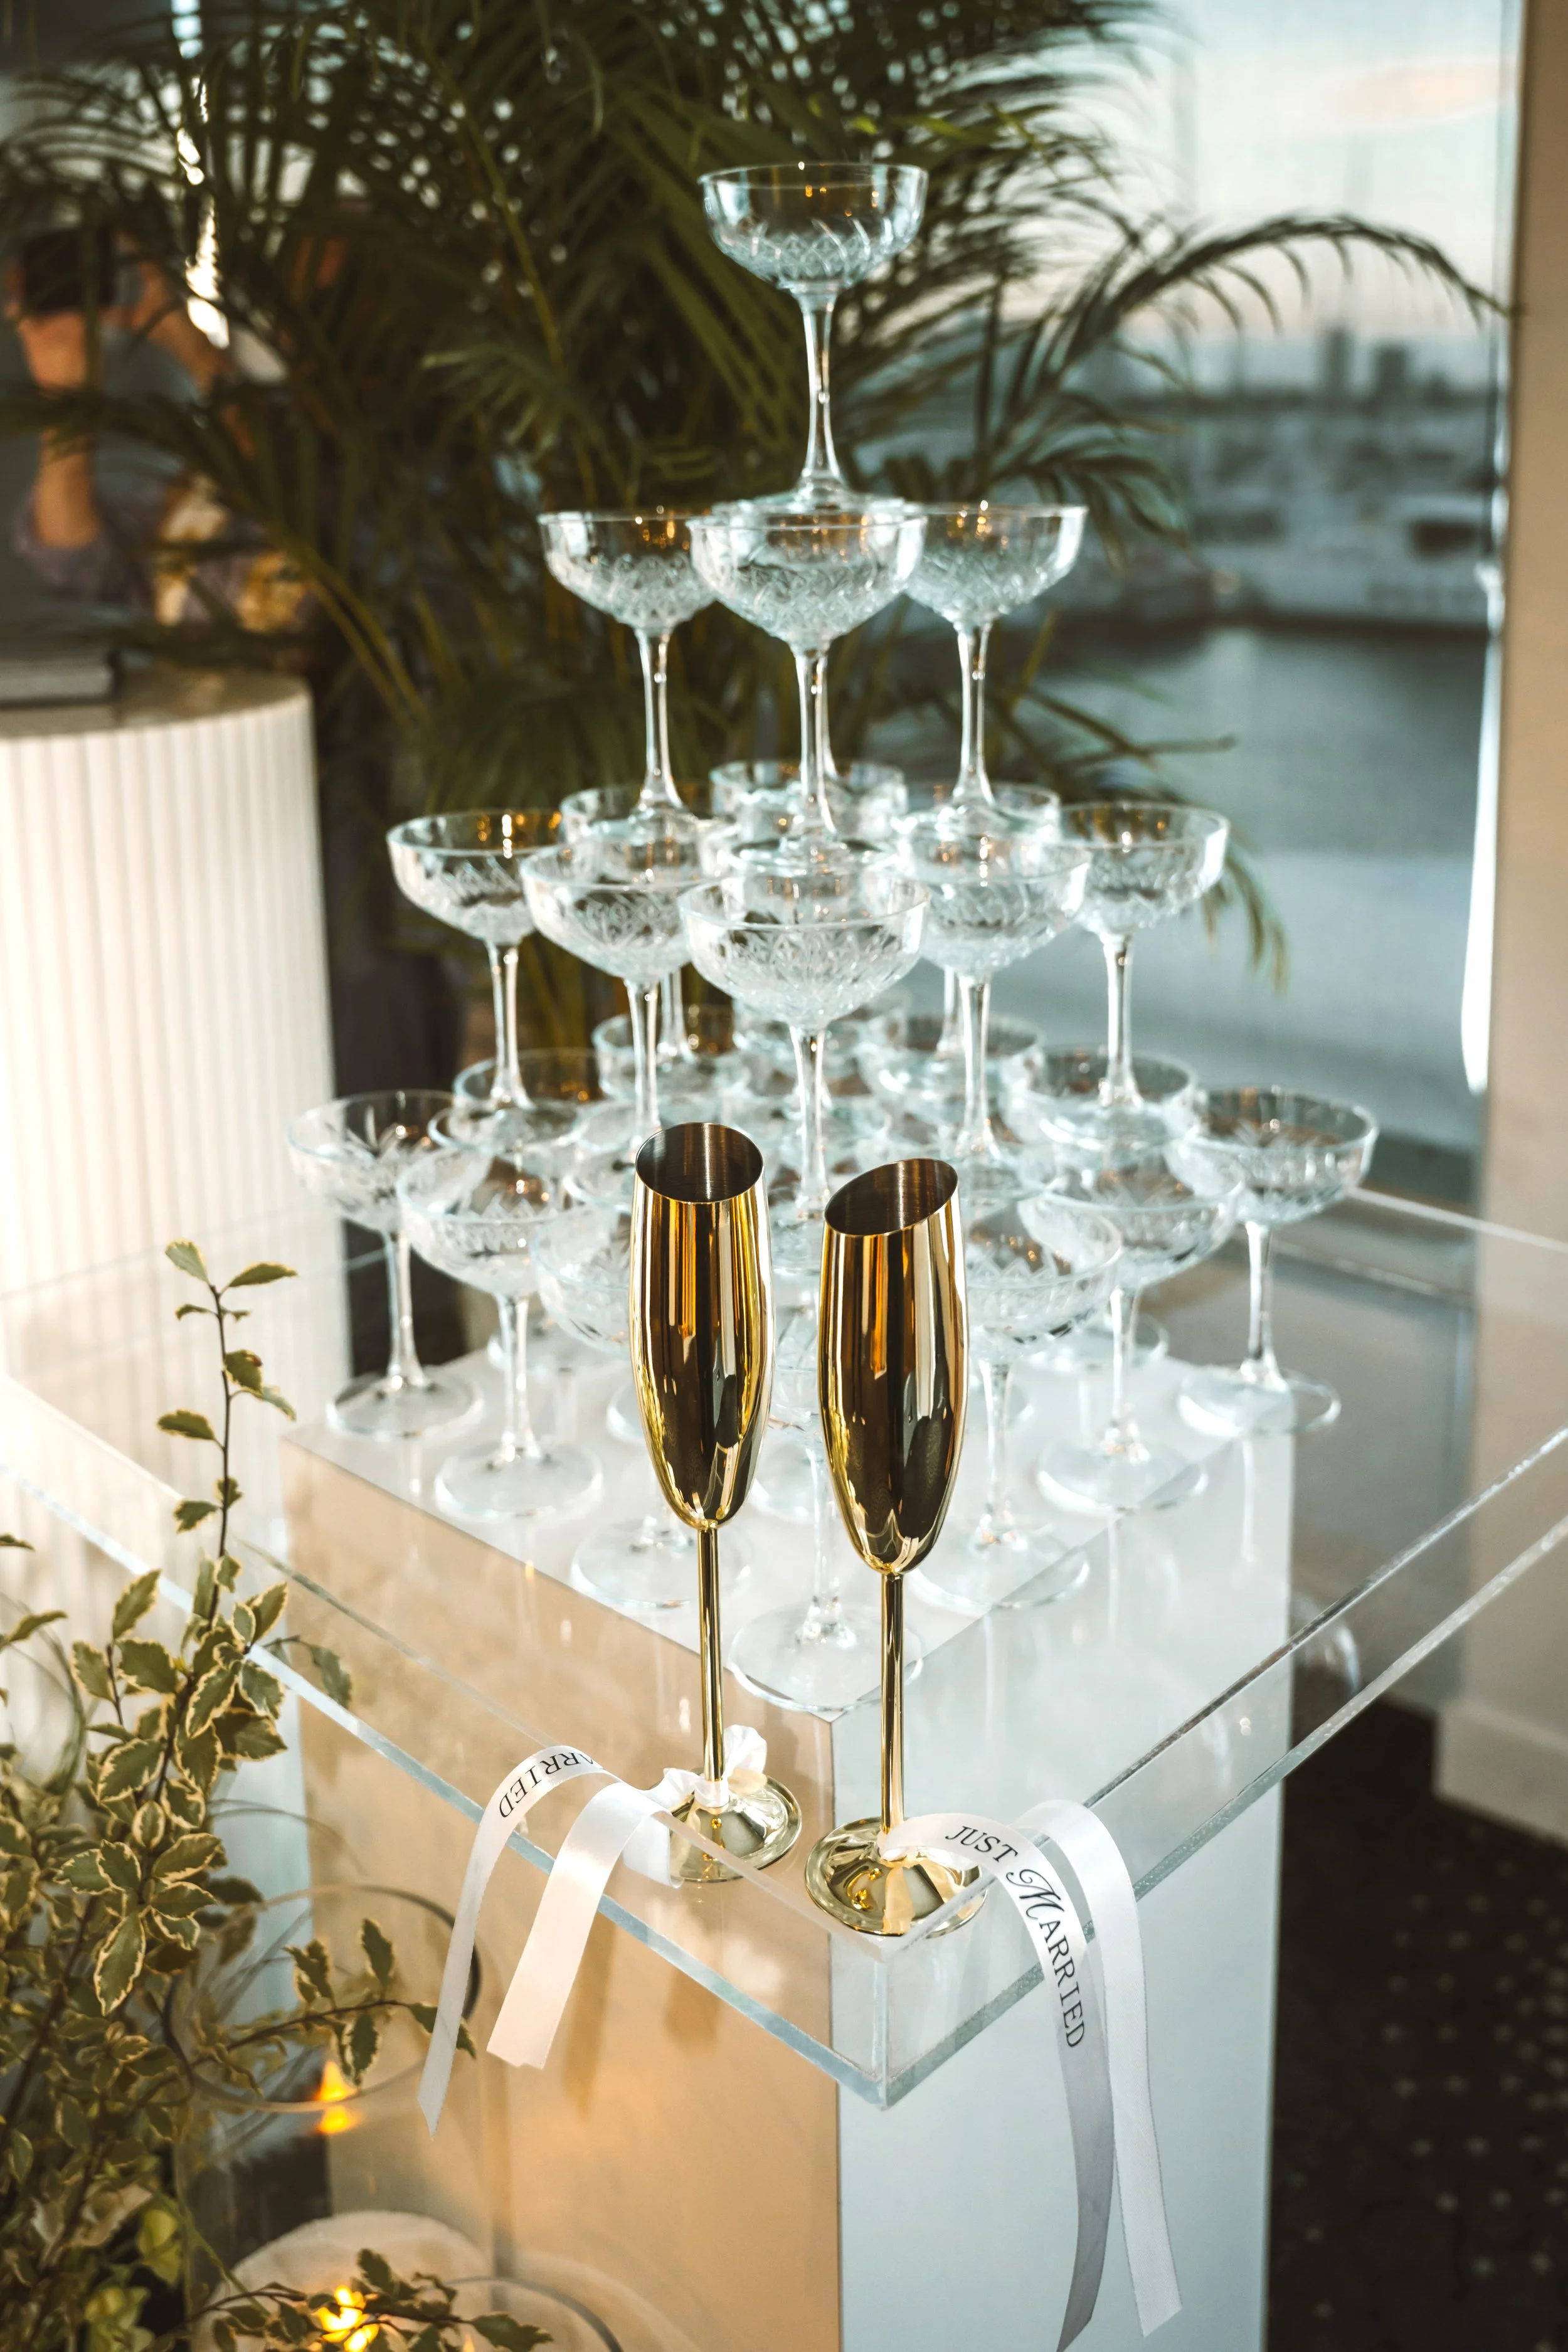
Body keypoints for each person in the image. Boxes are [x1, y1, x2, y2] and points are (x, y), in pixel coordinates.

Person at [6, 252, 309, 632]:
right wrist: (64, 400)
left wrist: (195, 353)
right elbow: (77, 564)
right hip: (200, 691)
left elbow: (283, 480)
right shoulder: (200, 493)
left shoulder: (369, 479)